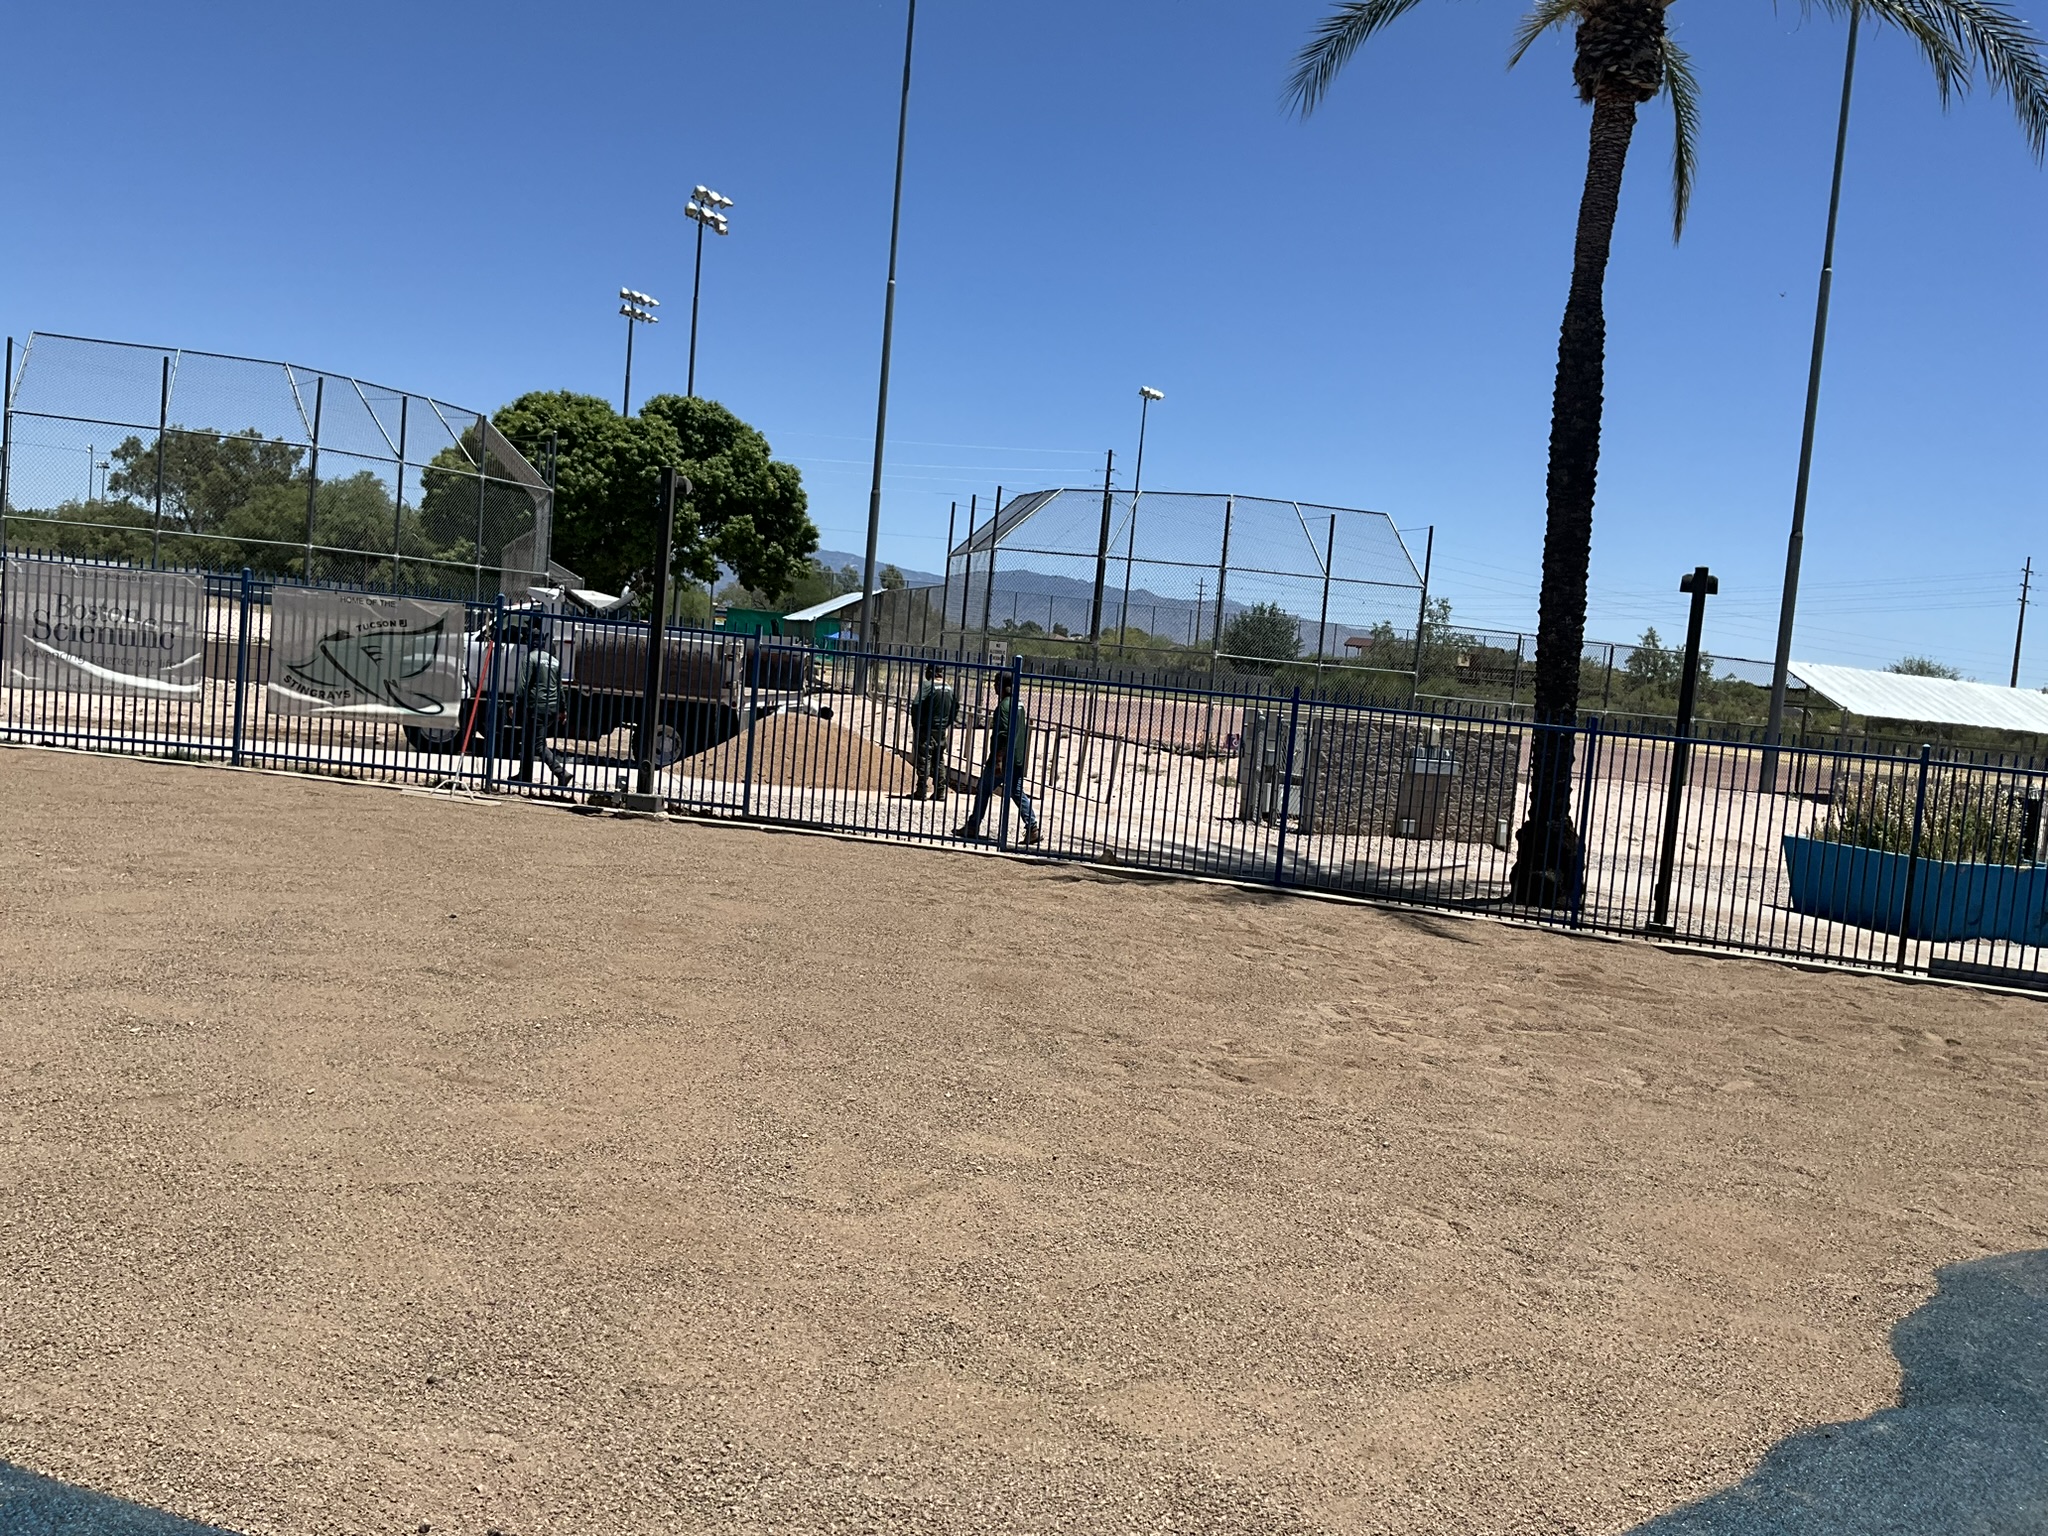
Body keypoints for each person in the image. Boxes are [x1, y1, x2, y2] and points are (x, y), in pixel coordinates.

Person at [955, 671, 1041, 846]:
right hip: (1017, 757)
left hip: (1003, 758)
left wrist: (998, 759)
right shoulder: (1019, 704)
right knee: (1016, 792)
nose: (994, 686)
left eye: (996, 683)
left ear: (1001, 685)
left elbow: (1003, 734)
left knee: (983, 789)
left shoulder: (1004, 706)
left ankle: (972, 826)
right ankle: (1032, 827)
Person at [514, 624, 574, 787]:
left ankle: (561, 772)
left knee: (538, 744)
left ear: (528, 642)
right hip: (552, 708)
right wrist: (563, 709)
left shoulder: (530, 658)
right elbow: (560, 688)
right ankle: (524, 776)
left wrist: (515, 703)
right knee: (530, 739)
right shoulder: (554, 661)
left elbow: (523, 685)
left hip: (536, 707)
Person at [907, 661, 958, 800]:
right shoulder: (949, 688)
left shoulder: (927, 686)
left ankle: (921, 790)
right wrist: (947, 723)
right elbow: (956, 707)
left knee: (924, 758)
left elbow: (916, 704)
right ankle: (940, 791)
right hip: (941, 730)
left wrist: (916, 724)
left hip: (927, 728)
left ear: (930, 672)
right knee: (939, 759)